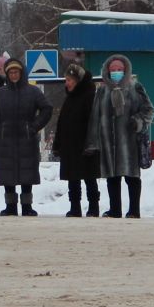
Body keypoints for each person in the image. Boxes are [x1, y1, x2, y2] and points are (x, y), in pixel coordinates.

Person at [0, 56, 53, 215]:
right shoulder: (1, 93)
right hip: (5, 140)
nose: (14, 75)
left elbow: (47, 109)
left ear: (22, 73)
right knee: (7, 174)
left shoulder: (33, 91)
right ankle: (10, 207)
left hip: (26, 139)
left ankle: (27, 207)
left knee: (26, 174)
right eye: (11, 72)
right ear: (7, 74)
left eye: (16, 72)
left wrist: (34, 127)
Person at [90, 54, 153, 218]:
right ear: (106, 71)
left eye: (119, 70)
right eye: (112, 70)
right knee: (112, 177)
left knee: (131, 177)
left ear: (126, 70)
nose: (116, 72)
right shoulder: (102, 91)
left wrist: (137, 122)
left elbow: (149, 110)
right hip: (108, 142)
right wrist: (94, 141)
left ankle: (134, 210)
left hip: (129, 141)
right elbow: (95, 117)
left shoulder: (135, 87)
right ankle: (115, 210)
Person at [53, 62, 101, 216]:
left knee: (89, 177)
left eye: (69, 80)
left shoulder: (89, 96)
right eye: (66, 80)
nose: (66, 83)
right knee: (73, 178)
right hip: (70, 146)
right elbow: (62, 123)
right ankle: (75, 207)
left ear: (78, 80)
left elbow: (94, 122)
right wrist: (58, 143)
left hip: (86, 146)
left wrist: (91, 143)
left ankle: (93, 207)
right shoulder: (70, 98)